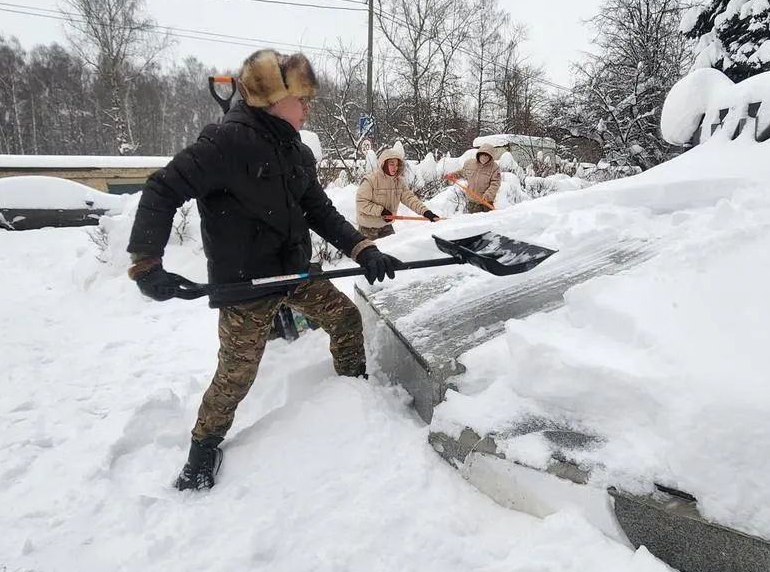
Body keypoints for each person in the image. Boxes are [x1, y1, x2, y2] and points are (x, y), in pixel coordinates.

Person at [124, 48, 402, 492]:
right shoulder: (225, 143)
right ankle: (202, 449)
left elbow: (320, 211)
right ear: (274, 99)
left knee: (345, 319)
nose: (308, 106)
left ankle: (353, 395)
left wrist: (363, 249)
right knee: (237, 374)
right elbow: (163, 188)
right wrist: (146, 261)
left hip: (292, 272)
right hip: (245, 284)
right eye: (302, 99)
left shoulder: (295, 151)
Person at [355, 147, 440, 239]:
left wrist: (426, 212)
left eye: (396, 165)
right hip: (368, 228)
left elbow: (410, 199)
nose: (395, 168)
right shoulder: (370, 180)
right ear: (383, 164)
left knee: (392, 251)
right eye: (391, 164)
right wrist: (381, 211)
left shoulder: (398, 182)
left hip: (386, 226)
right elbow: (361, 203)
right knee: (369, 253)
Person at [444, 143, 501, 213]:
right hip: (472, 202)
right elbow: (462, 172)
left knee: (486, 222)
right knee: (473, 222)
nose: (484, 158)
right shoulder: (470, 164)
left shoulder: (494, 168)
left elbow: (495, 183)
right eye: (482, 155)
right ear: (479, 154)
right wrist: (453, 175)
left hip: (486, 202)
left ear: (490, 157)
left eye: (487, 156)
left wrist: (488, 195)